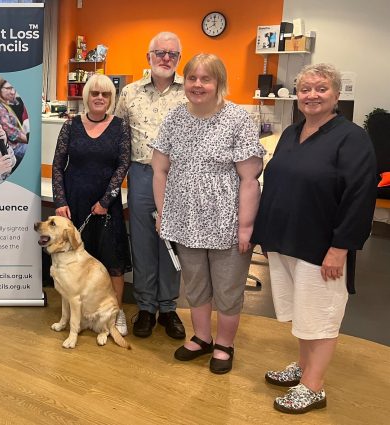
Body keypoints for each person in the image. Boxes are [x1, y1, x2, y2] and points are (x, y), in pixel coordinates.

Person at [252, 63, 377, 414]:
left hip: (322, 247)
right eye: (305, 88)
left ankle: (313, 386)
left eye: (321, 88)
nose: (312, 95)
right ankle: (305, 368)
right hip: (286, 241)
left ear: (336, 95)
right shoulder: (293, 132)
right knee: (303, 314)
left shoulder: (352, 139)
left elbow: (360, 196)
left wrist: (340, 248)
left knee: (321, 315)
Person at [151, 53, 265, 374]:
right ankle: (202, 337)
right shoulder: (175, 118)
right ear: (184, 81)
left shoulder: (237, 119)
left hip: (227, 223)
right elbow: (159, 170)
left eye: (206, 79)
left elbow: (249, 178)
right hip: (186, 221)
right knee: (196, 285)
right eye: (192, 78)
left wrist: (245, 227)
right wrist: (163, 213)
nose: (197, 85)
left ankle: (225, 345)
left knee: (228, 289)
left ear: (219, 83)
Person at [114, 31, 187, 339]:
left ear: (179, 59)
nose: (166, 58)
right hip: (142, 175)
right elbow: (118, 138)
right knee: (143, 243)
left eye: (172, 54)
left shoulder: (191, 92)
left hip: (180, 178)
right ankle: (145, 307)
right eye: (160, 53)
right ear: (148, 57)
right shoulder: (129, 93)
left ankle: (168, 309)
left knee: (171, 244)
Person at [52, 74, 132, 336]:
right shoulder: (70, 126)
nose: (100, 98)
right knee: (76, 259)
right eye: (95, 93)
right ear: (86, 96)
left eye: (106, 94)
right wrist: (61, 201)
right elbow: (57, 166)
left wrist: (106, 200)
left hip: (107, 205)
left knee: (112, 261)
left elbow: (123, 165)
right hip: (75, 201)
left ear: (111, 99)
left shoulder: (120, 127)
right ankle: (80, 312)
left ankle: (115, 312)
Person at [0, 76, 28, 166]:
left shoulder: (6, 105)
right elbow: (12, 133)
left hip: (16, 145)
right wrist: (28, 139)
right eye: (9, 88)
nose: (13, 92)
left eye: (14, 88)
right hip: (10, 148)